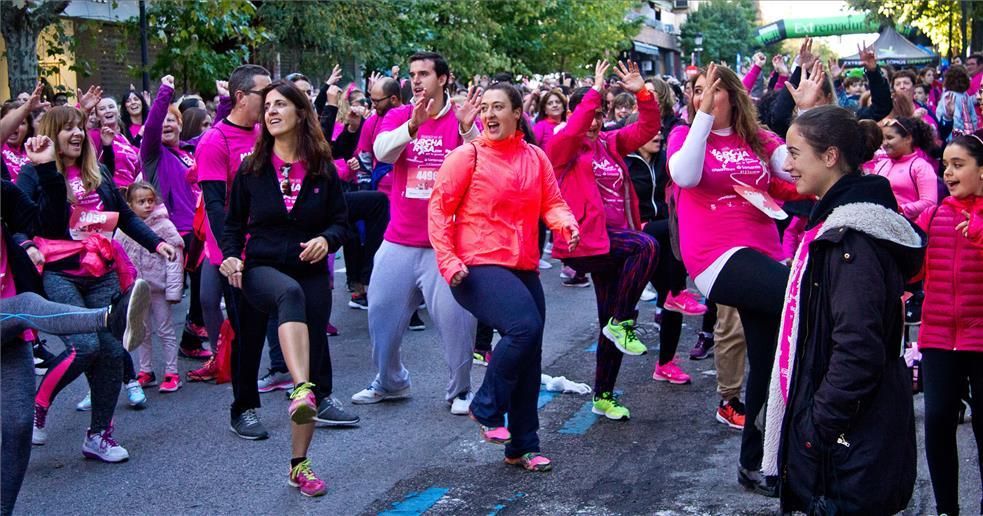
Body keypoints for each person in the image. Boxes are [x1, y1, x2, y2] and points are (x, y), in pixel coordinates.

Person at [764, 105, 922, 514]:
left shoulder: (852, 240)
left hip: (851, 442)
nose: (787, 164)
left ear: (830, 156)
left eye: (795, 153)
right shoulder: (839, 224)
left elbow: (857, 348)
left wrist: (816, 429)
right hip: (854, 436)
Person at [429, 81, 579, 471]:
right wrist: (448, 262)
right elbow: (439, 211)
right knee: (524, 328)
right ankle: (486, 405)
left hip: (522, 265)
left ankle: (522, 446)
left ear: (517, 114)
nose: (490, 115)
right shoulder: (468, 157)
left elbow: (553, 203)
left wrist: (565, 225)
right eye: (486, 109)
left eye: (499, 108)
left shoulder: (535, 158)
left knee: (530, 354)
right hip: (476, 265)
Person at [16, 112, 176, 461]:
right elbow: (22, 219)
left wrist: (155, 243)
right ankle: (39, 408)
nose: (76, 134)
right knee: (85, 345)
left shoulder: (97, 172)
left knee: (110, 350)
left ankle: (98, 435)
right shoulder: (34, 172)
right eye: (68, 128)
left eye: (79, 127)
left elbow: (126, 216)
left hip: (102, 271)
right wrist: (27, 244)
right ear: (51, 134)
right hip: (60, 272)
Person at [666, 63, 792, 496]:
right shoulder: (685, 136)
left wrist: (810, 110)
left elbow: (792, 171)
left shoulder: (758, 140)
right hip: (716, 257)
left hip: (764, 251)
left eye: (712, 90)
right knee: (801, 297)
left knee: (771, 364)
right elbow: (684, 175)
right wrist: (702, 115)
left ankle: (755, 462)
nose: (702, 95)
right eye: (696, 90)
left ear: (732, 95)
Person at [220, 80, 350, 497]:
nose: (272, 111)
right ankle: (260, 402)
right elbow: (231, 224)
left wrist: (327, 240)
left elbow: (342, 222)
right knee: (256, 337)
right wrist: (231, 256)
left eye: (281, 104)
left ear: (300, 113)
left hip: (309, 270)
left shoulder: (322, 168)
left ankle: (300, 465)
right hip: (259, 269)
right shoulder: (251, 168)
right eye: (268, 105)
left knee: (310, 357)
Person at [0, 175, 152, 516]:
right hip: (15, 308)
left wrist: (49, 174)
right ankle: (109, 318)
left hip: (10, 336)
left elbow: (41, 221)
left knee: (18, 428)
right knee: (26, 306)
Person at [353, 51, 479, 414]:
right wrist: (411, 126)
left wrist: (469, 129)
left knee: (457, 323)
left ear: (443, 78)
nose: (417, 80)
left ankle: (460, 391)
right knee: (380, 315)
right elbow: (381, 153)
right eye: (412, 74)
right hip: (399, 238)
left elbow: (481, 162)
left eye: (424, 73)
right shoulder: (397, 115)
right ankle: (390, 382)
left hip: (446, 243)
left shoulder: (461, 117)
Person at [546, 60, 661, 420]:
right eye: (591, 114)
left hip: (616, 244)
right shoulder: (563, 147)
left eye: (602, 114)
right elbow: (574, 129)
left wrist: (642, 92)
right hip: (585, 243)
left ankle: (603, 396)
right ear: (578, 112)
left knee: (609, 323)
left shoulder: (611, 143)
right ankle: (623, 321)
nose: (595, 122)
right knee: (647, 244)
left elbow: (648, 127)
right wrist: (593, 94)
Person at [189, 66, 270, 440]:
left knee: (303, 318)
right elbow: (217, 206)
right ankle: (244, 408)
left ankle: (320, 396)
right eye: (263, 94)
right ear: (240, 97)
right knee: (248, 333)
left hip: (271, 246)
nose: (269, 102)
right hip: (236, 255)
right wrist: (230, 256)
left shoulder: (264, 134)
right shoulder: (213, 142)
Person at [917, 133, 983, 516]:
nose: (949, 172)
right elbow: (913, 269)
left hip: (980, 339)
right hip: (939, 337)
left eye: (958, 164)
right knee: (938, 419)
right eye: (946, 165)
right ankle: (946, 509)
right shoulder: (935, 213)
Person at [116, 182, 185, 391]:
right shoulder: (124, 229)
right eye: (141, 202)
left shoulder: (164, 227)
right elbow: (119, 258)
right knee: (141, 331)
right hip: (137, 290)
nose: (147, 205)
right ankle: (146, 370)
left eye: (150, 201)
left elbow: (174, 259)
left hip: (159, 289)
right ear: (130, 204)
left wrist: (174, 290)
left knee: (165, 330)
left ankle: (172, 372)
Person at [870, 116, 939, 222]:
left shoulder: (921, 167)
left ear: (908, 139)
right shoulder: (881, 164)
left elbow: (929, 202)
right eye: (883, 139)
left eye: (889, 138)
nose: (884, 143)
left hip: (910, 229)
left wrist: (900, 210)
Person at [90, 95, 141, 189]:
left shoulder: (124, 138)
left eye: (111, 107)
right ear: (97, 116)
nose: (108, 110)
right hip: (111, 192)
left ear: (118, 112)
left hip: (131, 194)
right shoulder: (94, 135)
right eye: (102, 109)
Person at [937, 65, 980, 140]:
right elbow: (973, 118)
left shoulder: (949, 96)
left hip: (955, 138)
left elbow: (955, 121)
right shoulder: (965, 95)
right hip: (966, 137)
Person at [1, 102, 34, 181]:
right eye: (11, 122)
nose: (14, 126)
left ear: (28, 129)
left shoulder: (35, 150)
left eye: (21, 123)